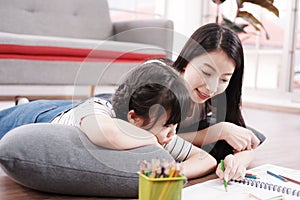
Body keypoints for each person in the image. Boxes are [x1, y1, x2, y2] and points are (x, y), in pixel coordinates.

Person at [0, 61, 217, 179]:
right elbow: (105, 134)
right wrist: (151, 141)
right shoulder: (99, 112)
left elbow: (206, 159)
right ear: (134, 119)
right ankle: (24, 102)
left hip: (68, 108)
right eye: (168, 125)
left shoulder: (159, 132)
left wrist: (174, 172)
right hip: (37, 115)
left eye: (175, 125)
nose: (172, 133)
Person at [165, 23, 266, 182]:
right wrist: (219, 131)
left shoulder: (218, 97)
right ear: (186, 62)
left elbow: (248, 143)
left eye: (224, 79)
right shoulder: (163, 89)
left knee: (245, 133)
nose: (212, 88)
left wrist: (237, 162)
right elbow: (161, 137)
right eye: (206, 72)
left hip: (196, 128)